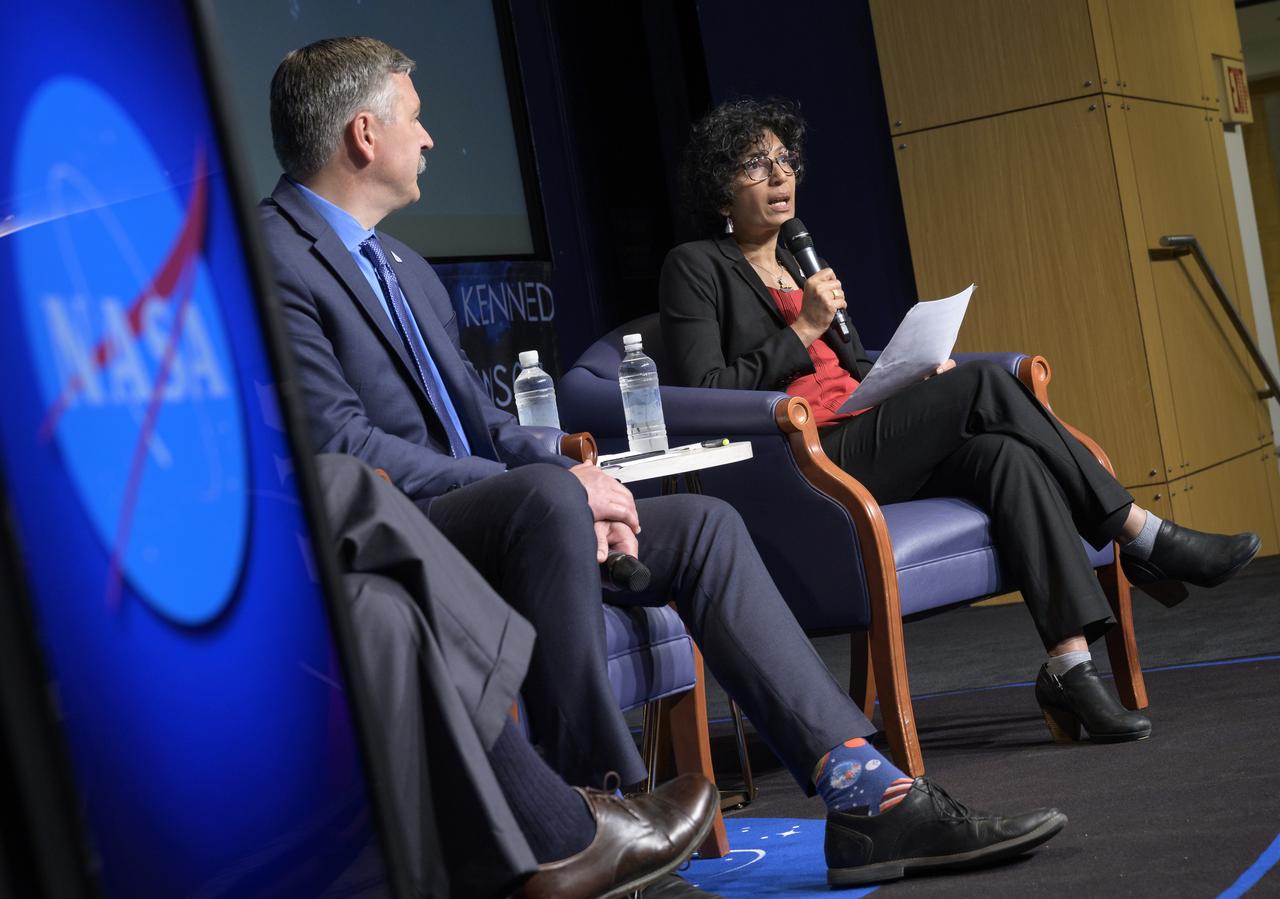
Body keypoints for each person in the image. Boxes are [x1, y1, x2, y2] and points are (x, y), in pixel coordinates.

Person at [259, 37, 1067, 886]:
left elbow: (488, 421)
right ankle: (612, 833)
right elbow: (339, 446)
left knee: (706, 524)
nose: (428, 141)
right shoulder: (273, 258)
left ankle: (868, 798)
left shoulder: (404, 268)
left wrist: (587, 473)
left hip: (508, 509)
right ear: (362, 135)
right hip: (404, 539)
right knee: (545, 500)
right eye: (417, 122)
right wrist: (548, 486)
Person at [659, 97, 1261, 747]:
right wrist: (803, 326)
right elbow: (704, 391)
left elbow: (853, 369)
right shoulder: (695, 268)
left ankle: (1071, 668)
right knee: (984, 383)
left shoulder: (807, 263)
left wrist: (911, 373)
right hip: (810, 461)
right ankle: (1141, 533)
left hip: (869, 430)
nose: (779, 176)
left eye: (785, 160)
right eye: (755, 164)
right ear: (722, 193)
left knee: (1009, 456)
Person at [315, 452, 717, 898]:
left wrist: (583, 486)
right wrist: (561, 485)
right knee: (354, 488)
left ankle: (567, 842)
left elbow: (492, 426)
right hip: (416, 511)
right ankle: (573, 836)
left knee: (381, 602)